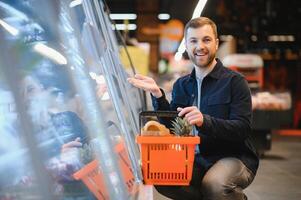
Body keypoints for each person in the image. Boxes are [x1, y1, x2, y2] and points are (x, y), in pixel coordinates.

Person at [128, 17, 259, 200]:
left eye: (206, 40)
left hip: (233, 156)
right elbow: (173, 126)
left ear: (216, 43)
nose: (200, 46)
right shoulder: (182, 85)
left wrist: (206, 121)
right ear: (187, 45)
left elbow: (242, 129)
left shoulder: (235, 82)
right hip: (195, 158)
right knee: (163, 179)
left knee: (214, 184)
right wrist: (158, 95)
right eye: (193, 41)